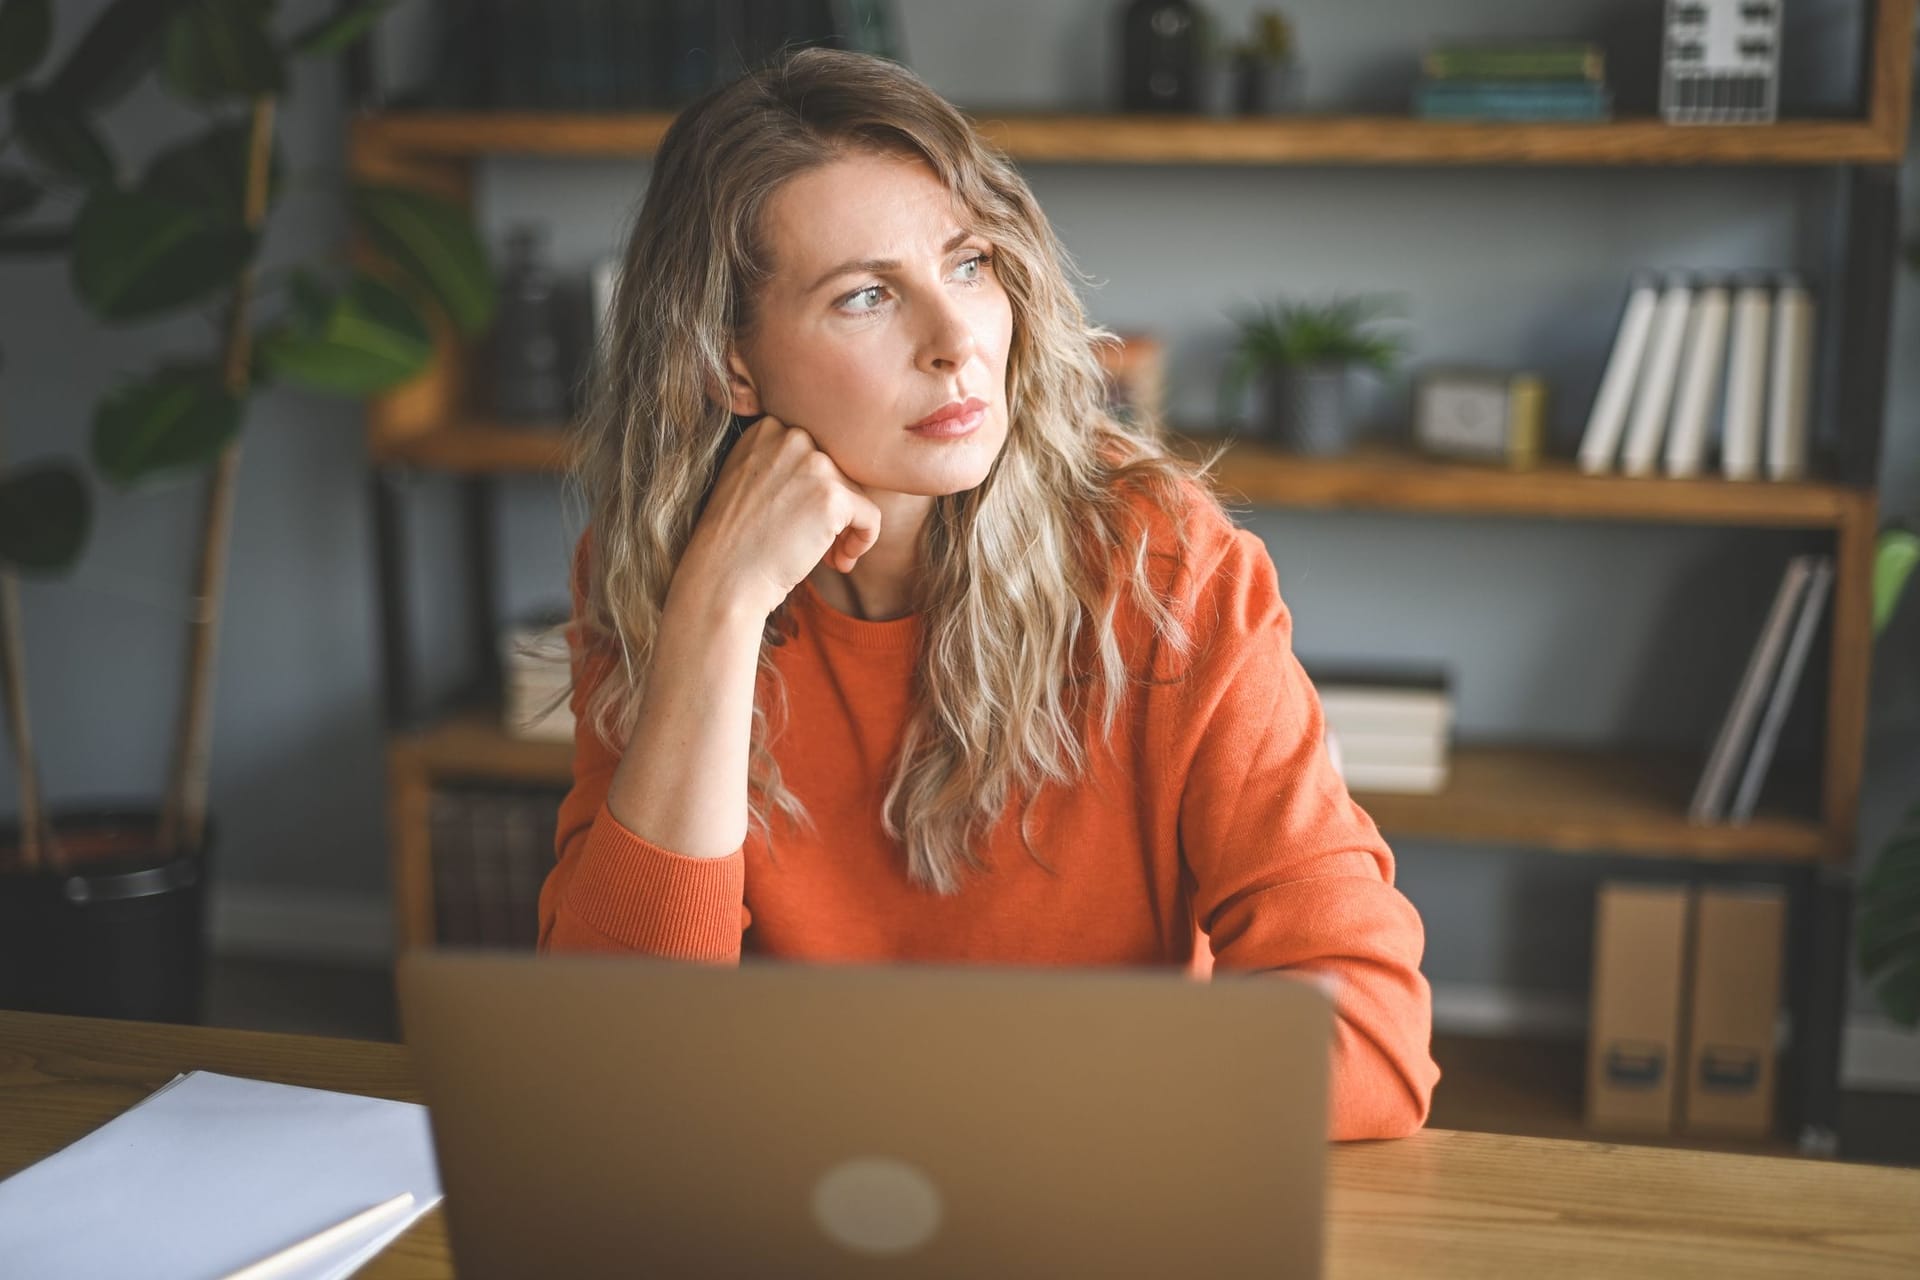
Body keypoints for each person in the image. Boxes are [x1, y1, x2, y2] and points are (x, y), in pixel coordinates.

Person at [537, 46, 1440, 1141]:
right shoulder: (659, 577)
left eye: (969, 265)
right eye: (867, 295)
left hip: (1083, 1184)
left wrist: (972, 1100)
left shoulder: (1162, 565)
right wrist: (716, 621)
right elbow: (613, 1059)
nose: (958, 342)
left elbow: (1375, 1037)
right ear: (731, 363)